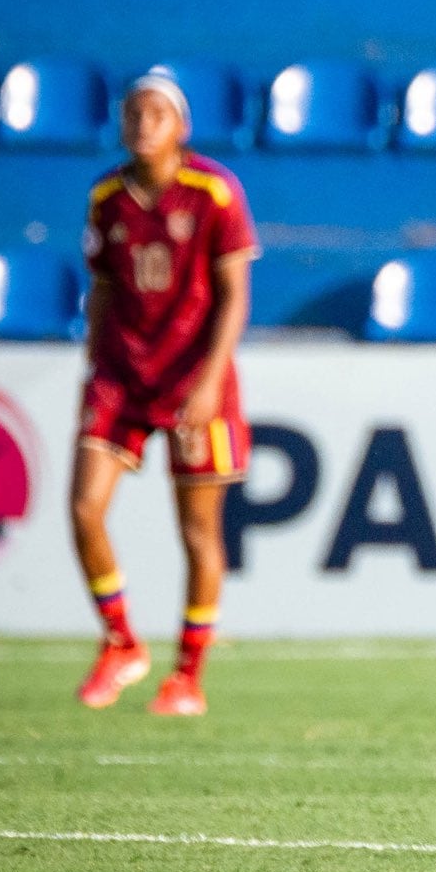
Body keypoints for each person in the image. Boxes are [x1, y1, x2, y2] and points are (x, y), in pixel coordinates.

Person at [71, 69, 259, 716]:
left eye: (155, 113)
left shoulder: (214, 191)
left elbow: (235, 294)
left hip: (190, 378)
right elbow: (100, 288)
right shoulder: (106, 196)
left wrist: (210, 381)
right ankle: (121, 642)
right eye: (132, 113)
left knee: (198, 532)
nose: (141, 124)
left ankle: (188, 676)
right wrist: (93, 367)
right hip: (122, 375)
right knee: (83, 508)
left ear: (182, 127)